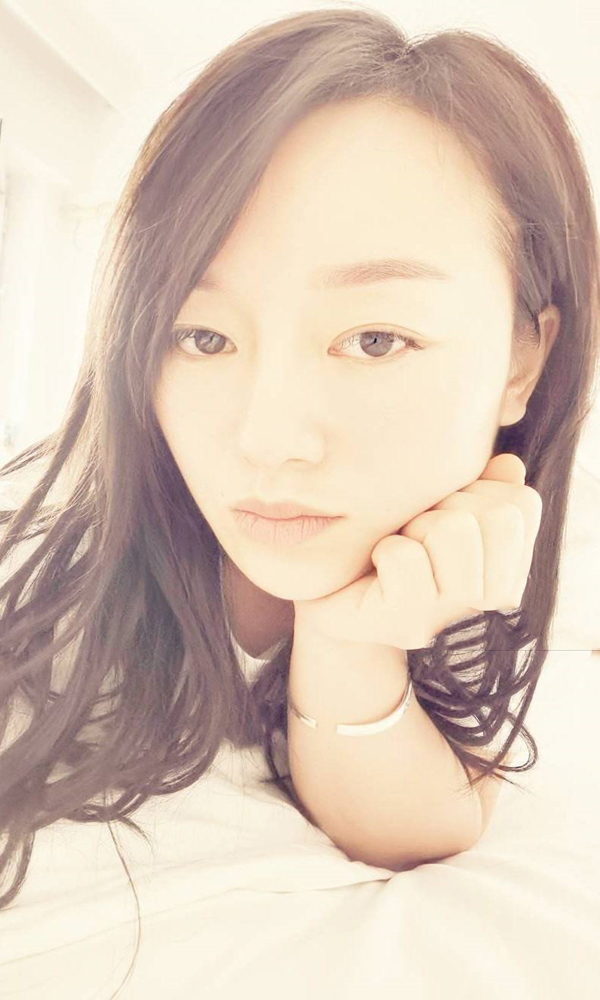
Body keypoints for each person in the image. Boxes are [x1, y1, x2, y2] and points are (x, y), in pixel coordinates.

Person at [1, 7, 598, 998]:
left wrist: (349, 641)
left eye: (374, 339)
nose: (268, 438)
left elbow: (419, 824)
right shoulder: (41, 560)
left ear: (521, 362)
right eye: (202, 337)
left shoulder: (475, 549)